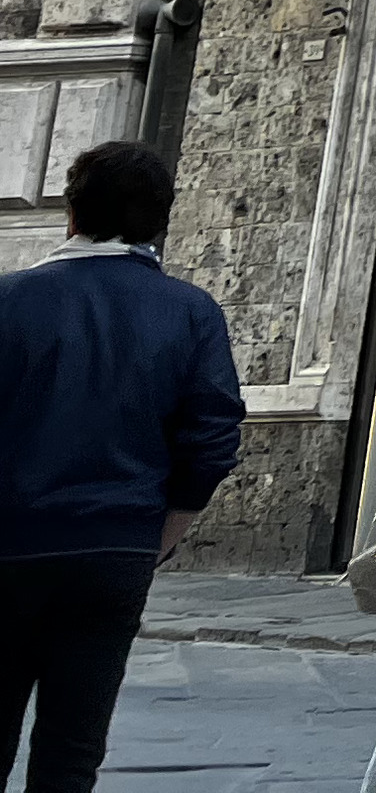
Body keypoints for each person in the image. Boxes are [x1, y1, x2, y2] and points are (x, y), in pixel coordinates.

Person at [0, 140, 243, 793]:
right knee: (73, 751)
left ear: (70, 214)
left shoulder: (9, 299)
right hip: (117, 548)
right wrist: (166, 532)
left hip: (9, 546)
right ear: (160, 223)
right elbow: (215, 436)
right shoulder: (192, 312)